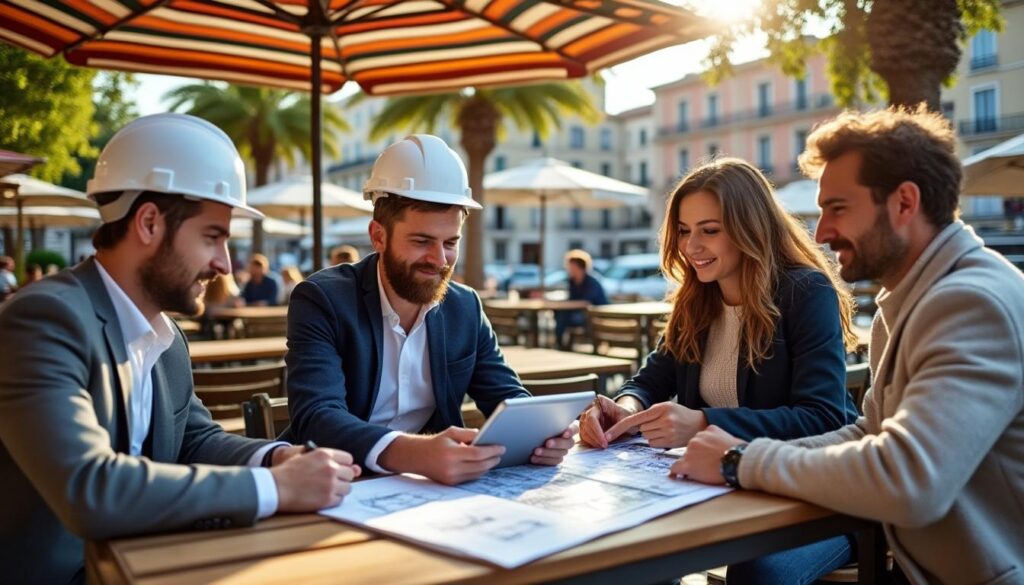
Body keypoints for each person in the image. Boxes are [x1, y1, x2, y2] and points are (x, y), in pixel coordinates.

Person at [0, 113, 359, 585]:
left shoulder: (166, 335)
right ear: (148, 222)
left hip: (152, 563)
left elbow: (195, 440)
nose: (223, 263)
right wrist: (274, 487)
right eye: (212, 236)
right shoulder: (42, 318)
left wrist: (275, 458)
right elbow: (90, 489)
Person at [673, 108, 1024, 585]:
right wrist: (738, 453)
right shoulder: (910, 301)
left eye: (837, 208)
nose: (820, 233)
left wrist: (741, 461)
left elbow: (908, 480)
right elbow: (869, 433)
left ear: (904, 203)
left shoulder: (969, 302)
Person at [579, 158, 860, 584]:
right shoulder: (697, 298)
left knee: (757, 573)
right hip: (724, 491)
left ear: (751, 229)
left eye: (709, 231)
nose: (692, 247)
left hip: (818, 497)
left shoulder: (806, 292)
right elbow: (652, 378)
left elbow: (822, 417)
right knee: (630, 552)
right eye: (684, 231)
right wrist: (624, 407)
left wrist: (703, 422)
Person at [286, 134, 574, 486]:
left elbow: (506, 397)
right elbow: (317, 417)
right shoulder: (321, 299)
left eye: (450, 243)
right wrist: (413, 453)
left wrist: (542, 435)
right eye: (422, 241)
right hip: (337, 483)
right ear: (378, 236)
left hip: (430, 488)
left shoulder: (465, 306)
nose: (439, 261)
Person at [553, 249, 609, 349]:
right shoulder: (573, 281)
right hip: (580, 313)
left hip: (596, 315)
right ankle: (561, 345)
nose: (568, 269)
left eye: (571, 266)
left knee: (563, 316)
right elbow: (572, 300)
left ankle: (561, 346)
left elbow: (586, 302)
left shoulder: (591, 282)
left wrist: (564, 305)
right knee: (559, 313)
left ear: (579, 267)